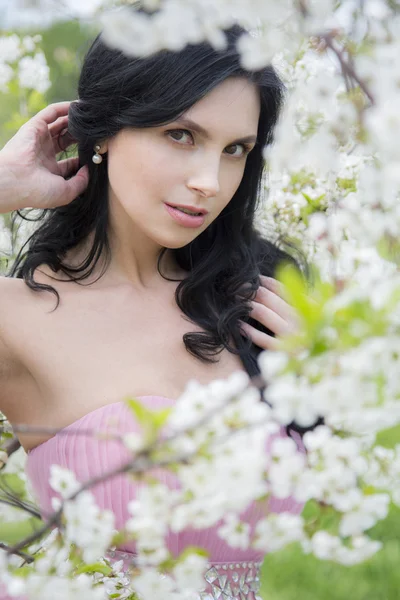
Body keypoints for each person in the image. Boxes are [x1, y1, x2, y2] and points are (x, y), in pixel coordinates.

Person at [0, 13, 305, 599]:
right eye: (181, 135)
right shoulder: (18, 318)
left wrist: (313, 383)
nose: (210, 182)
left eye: (236, 149)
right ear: (107, 131)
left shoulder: (256, 304)